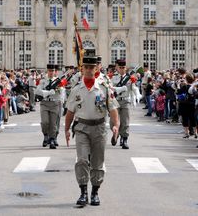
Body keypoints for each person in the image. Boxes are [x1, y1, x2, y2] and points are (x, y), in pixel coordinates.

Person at [65, 55, 119, 206]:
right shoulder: (76, 89)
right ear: (82, 69)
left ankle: (95, 192)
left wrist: (116, 125)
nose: (89, 70)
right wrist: (67, 130)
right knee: (82, 160)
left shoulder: (104, 88)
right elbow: (70, 112)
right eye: (86, 67)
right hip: (82, 128)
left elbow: (113, 109)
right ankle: (83, 192)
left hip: (100, 128)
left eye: (91, 67)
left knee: (97, 162)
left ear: (96, 69)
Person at [36, 64, 64, 149]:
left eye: (52, 71)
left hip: (54, 103)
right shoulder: (43, 80)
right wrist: (48, 92)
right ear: (47, 71)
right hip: (44, 103)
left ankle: (52, 139)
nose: (51, 72)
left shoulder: (58, 81)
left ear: (55, 71)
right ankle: (45, 135)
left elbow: (61, 93)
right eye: (49, 71)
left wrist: (61, 101)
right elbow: (38, 91)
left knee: (53, 123)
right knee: (45, 122)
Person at [111, 59, 135, 149]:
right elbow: (110, 88)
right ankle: (116, 133)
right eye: (120, 67)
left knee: (125, 121)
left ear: (125, 68)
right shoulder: (113, 77)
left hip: (125, 101)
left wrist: (135, 97)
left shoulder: (130, 78)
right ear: (117, 67)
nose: (122, 69)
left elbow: (133, 88)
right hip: (115, 101)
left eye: (123, 67)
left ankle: (124, 139)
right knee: (113, 121)